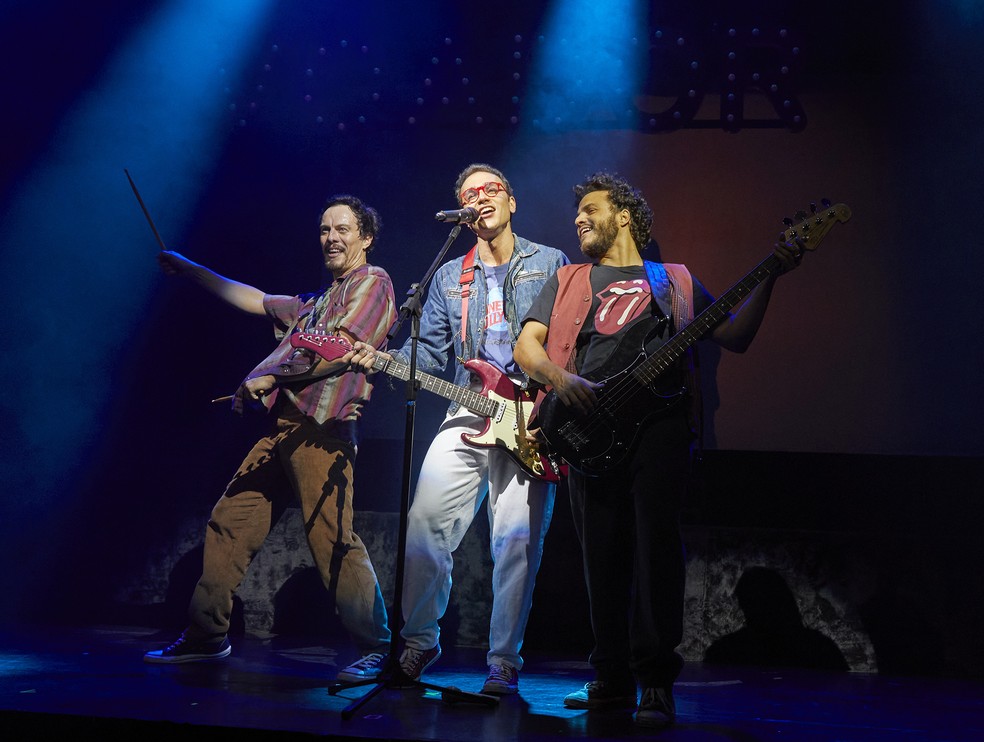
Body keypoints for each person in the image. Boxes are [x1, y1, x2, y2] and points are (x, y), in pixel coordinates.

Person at [513, 172, 803, 727]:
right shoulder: (568, 277)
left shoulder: (674, 280)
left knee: (656, 553)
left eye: (590, 209)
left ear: (624, 215)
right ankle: (612, 676)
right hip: (587, 429)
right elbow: (528, 346)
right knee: (600, 559)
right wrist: (562, 380)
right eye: (577, 213)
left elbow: (735, 336)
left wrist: (773, 274)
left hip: (659, 429)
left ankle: (654, 683)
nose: (578, 219)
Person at [144, 194, 397, 685]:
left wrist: (274, 376)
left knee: (332, 540)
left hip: (323, 431)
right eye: (324, 229)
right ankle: (206, 635)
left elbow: (344, 349)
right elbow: (253, 298)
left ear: (365, 237)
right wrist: (188, 267)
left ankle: (378, 648)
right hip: (282, 428)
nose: (331, 237)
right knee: (230, 520)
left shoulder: (373, 282)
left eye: (342, 229)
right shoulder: (315, 303)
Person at [347, 164, 570, 695]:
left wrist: (551, 410)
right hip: (468, 412)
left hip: (530, 419)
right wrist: (379, 359)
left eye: (491, 189)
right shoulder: (450, 276)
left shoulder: (550, 263)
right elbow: (428, 352)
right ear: (464, 213)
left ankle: (503, 662)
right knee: (425, 522)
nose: (481, 198)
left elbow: (564, 344)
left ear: (511, 201)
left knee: (515, 541)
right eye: (471, 194)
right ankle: (419, 643)